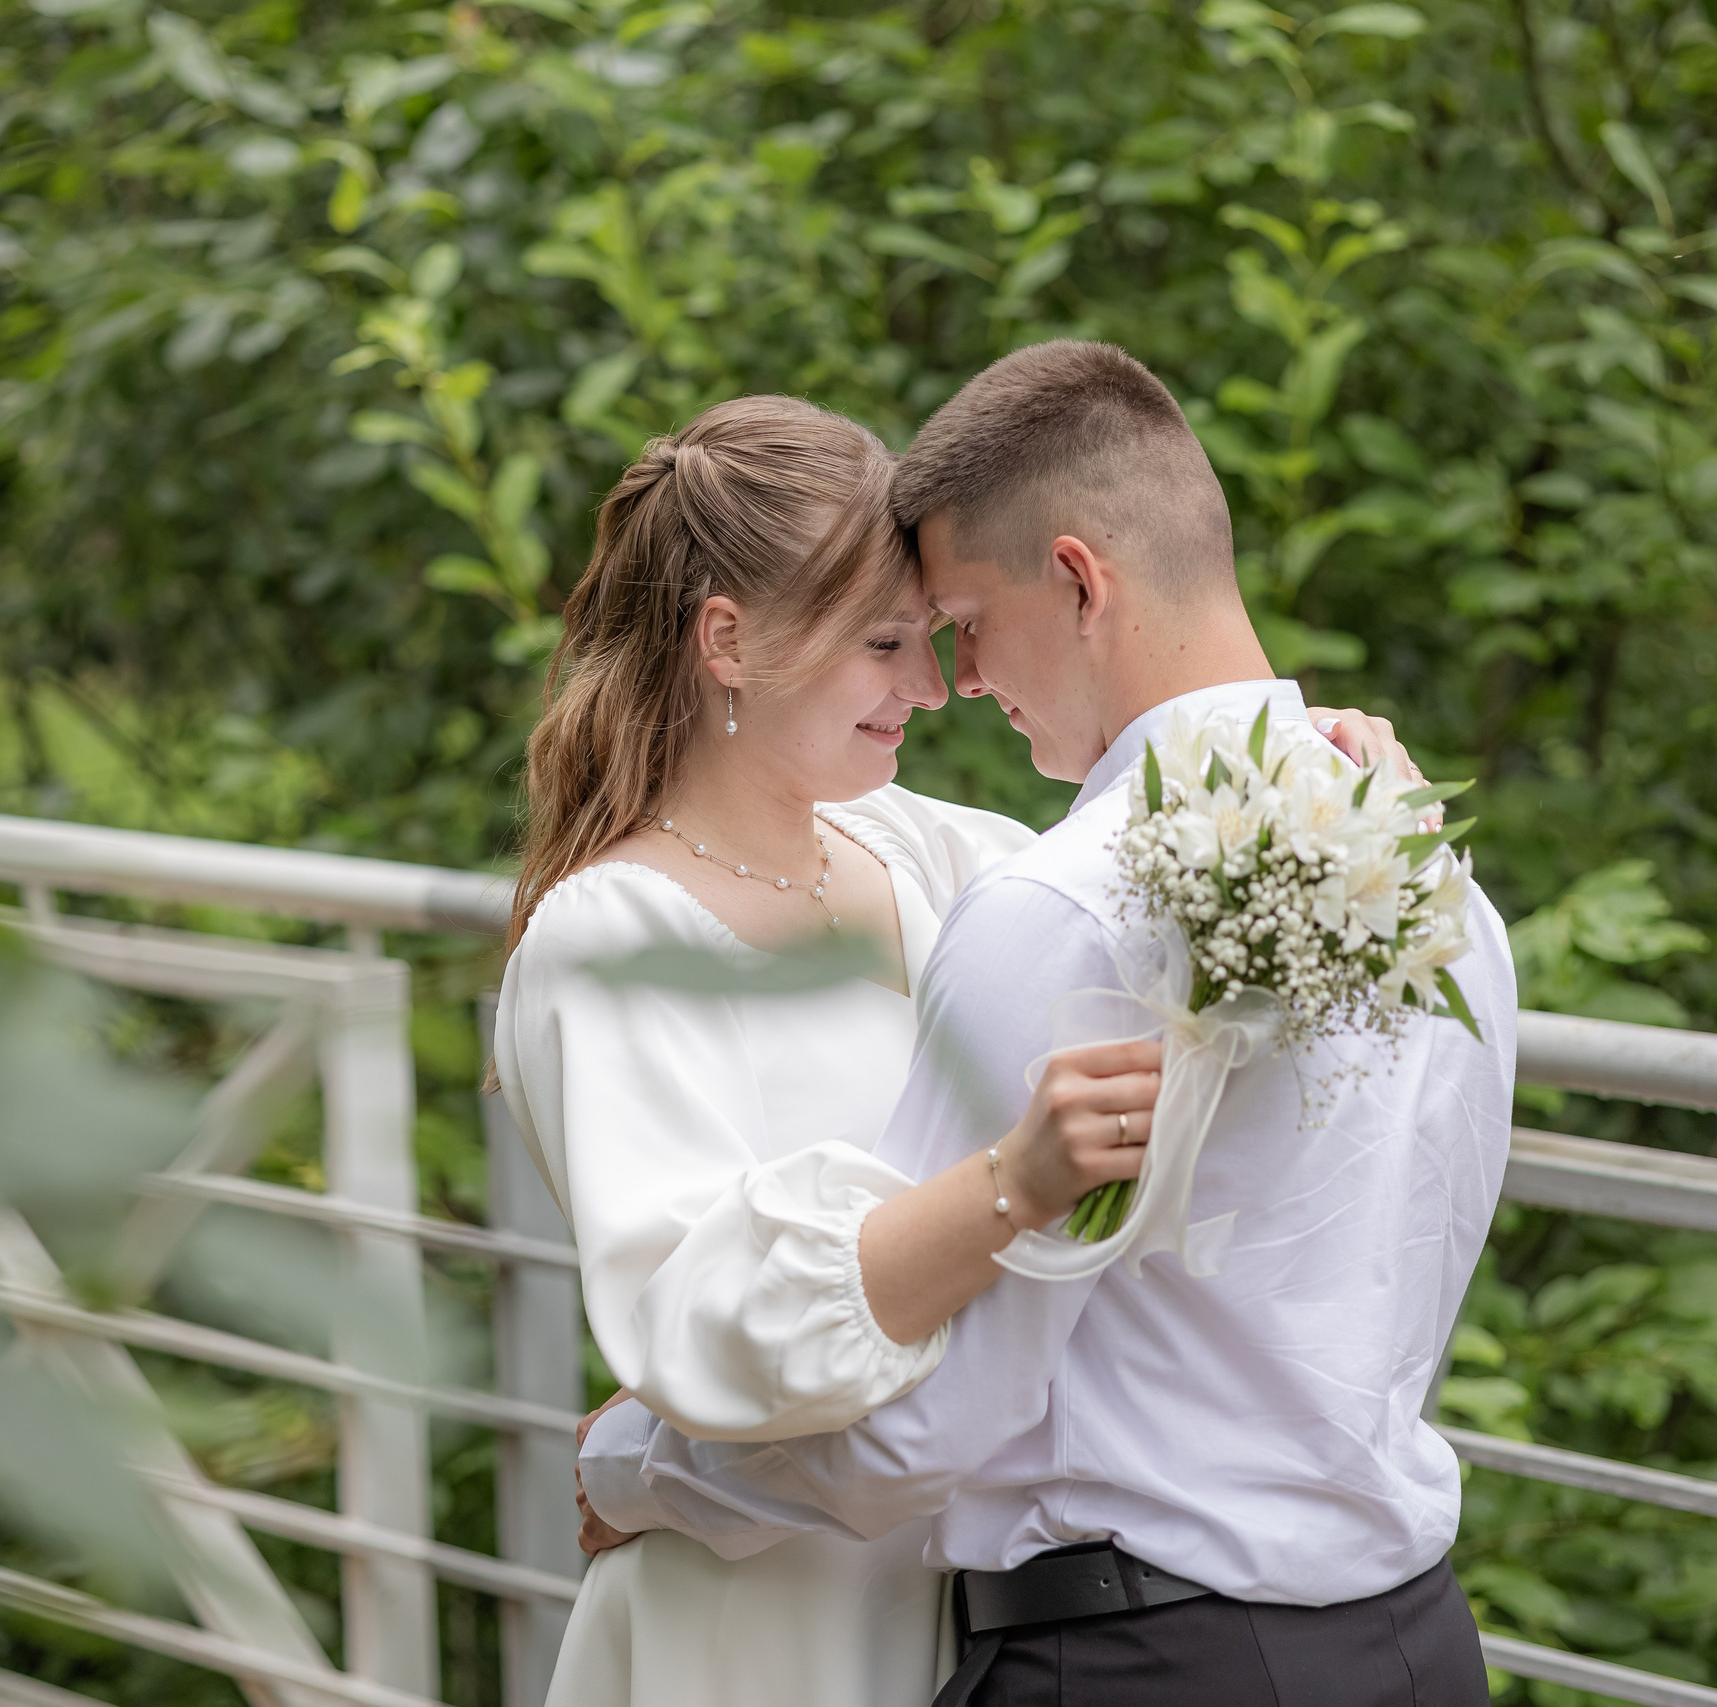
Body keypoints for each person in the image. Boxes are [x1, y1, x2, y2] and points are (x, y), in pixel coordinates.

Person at [572, 343, 1518, 1707]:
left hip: (1150, 1662)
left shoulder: (1062, 909)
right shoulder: (1423, 864)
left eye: (963, 619)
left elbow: (924, 1424)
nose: (956, 677)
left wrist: (643, 1470)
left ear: (1078, 581)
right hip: (1414, 1647)